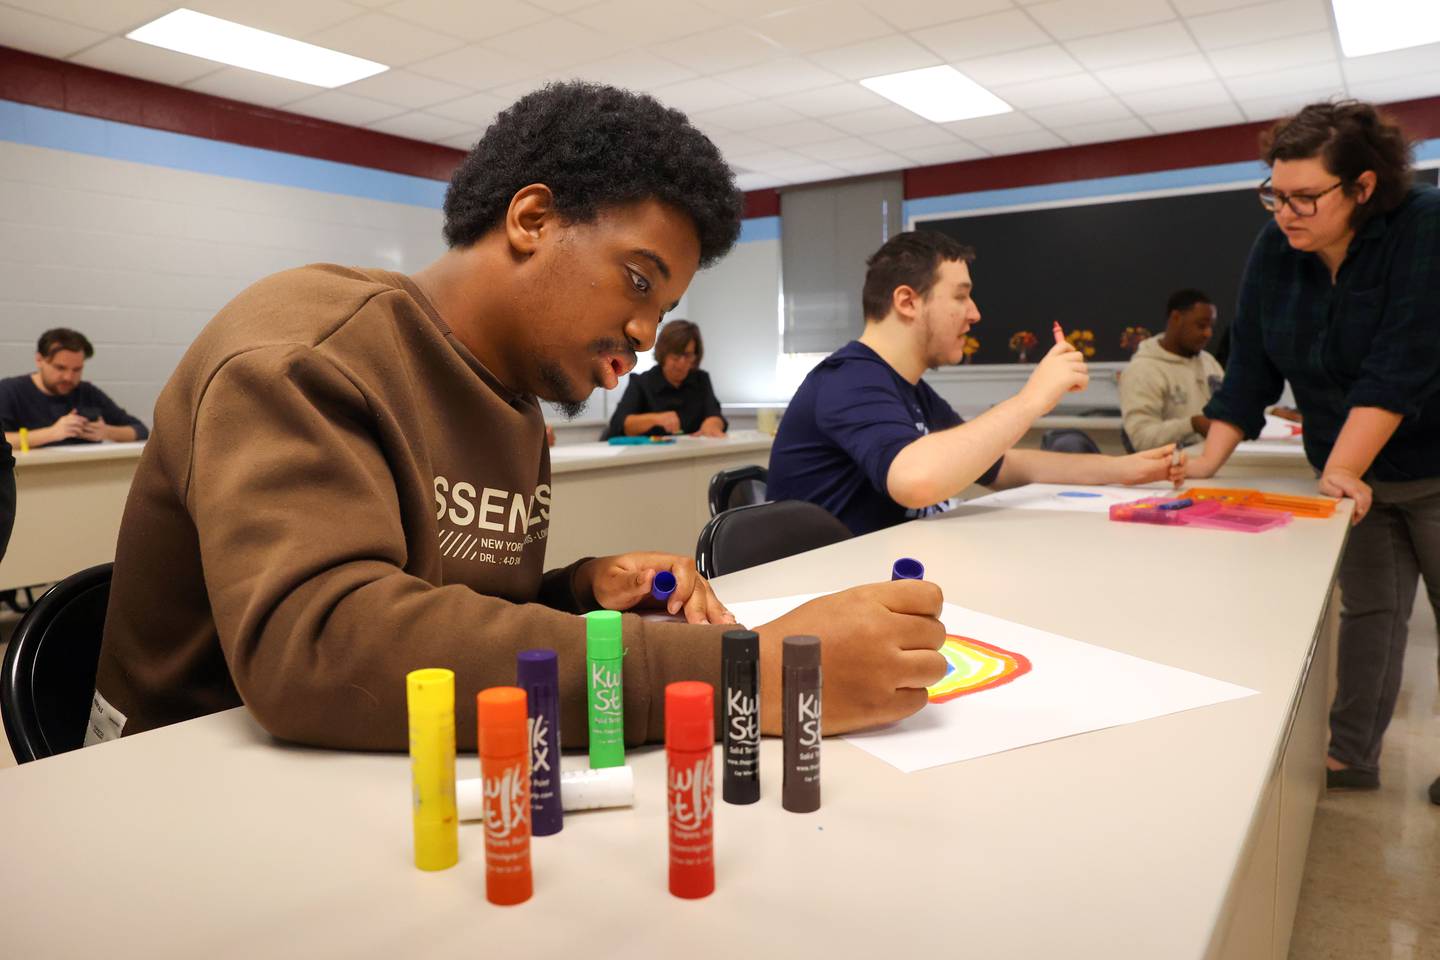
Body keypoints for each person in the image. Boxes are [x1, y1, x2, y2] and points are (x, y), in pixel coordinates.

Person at [90, 82, 948, 753]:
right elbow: (323, 648)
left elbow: (431, 609)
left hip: (371, 757)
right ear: (532, 219)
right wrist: (745, 672)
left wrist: (574, 594)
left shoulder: (508, 392)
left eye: (667, 304)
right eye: (639, 279)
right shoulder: (303, 351)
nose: (647, 336)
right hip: (189, 783)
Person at [1184, 101, 1440, 804]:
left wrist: (1345, 466)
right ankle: (1351, 756)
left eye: (1305, 198)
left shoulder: (1424, 226)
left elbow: (1404, 361)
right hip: (1350, 474)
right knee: (1370, 618)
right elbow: (1251, 370)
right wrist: (1206, 462)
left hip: (1427, 463)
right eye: (1275, 195)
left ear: (1362, 187)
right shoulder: (1277, 248)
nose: (1286, 213)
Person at [767, 231, 1184, 536]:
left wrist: (1124, 469)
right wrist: (1033, 399)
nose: (975, 313)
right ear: (908, 302)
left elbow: (1005, 465)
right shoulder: (849, 381)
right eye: (961, 296)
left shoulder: (909, 389)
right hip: (832, 599)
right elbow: (916, 481)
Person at [0, 328, 149, 449]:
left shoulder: (87, 392)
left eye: (77, 370)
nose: (69, 377)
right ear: (39, 360)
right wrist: (51, 433)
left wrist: (107, 432)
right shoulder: (9, 391)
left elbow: (140, 430)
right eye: (60, 368)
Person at [1118, 289, 1224, 450]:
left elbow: (1231, 399)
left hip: (1212, 459)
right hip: (1169, 469)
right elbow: (1141, 439)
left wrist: (1269, 411)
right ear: (1176, 318)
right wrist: (1192, 425)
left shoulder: (1208, 362)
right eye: (1201, 325)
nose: (1208, 333)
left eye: (1211, 326)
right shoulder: (1143, 370)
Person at [602, 319, 726, 438]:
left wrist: (713, 423)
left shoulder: (701, 380)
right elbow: (618, 424)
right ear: (664, 352)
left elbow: (715, 414)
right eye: (676, 354)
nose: (682, 363)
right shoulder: (642, 382)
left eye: (688, 355)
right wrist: (655, 419)